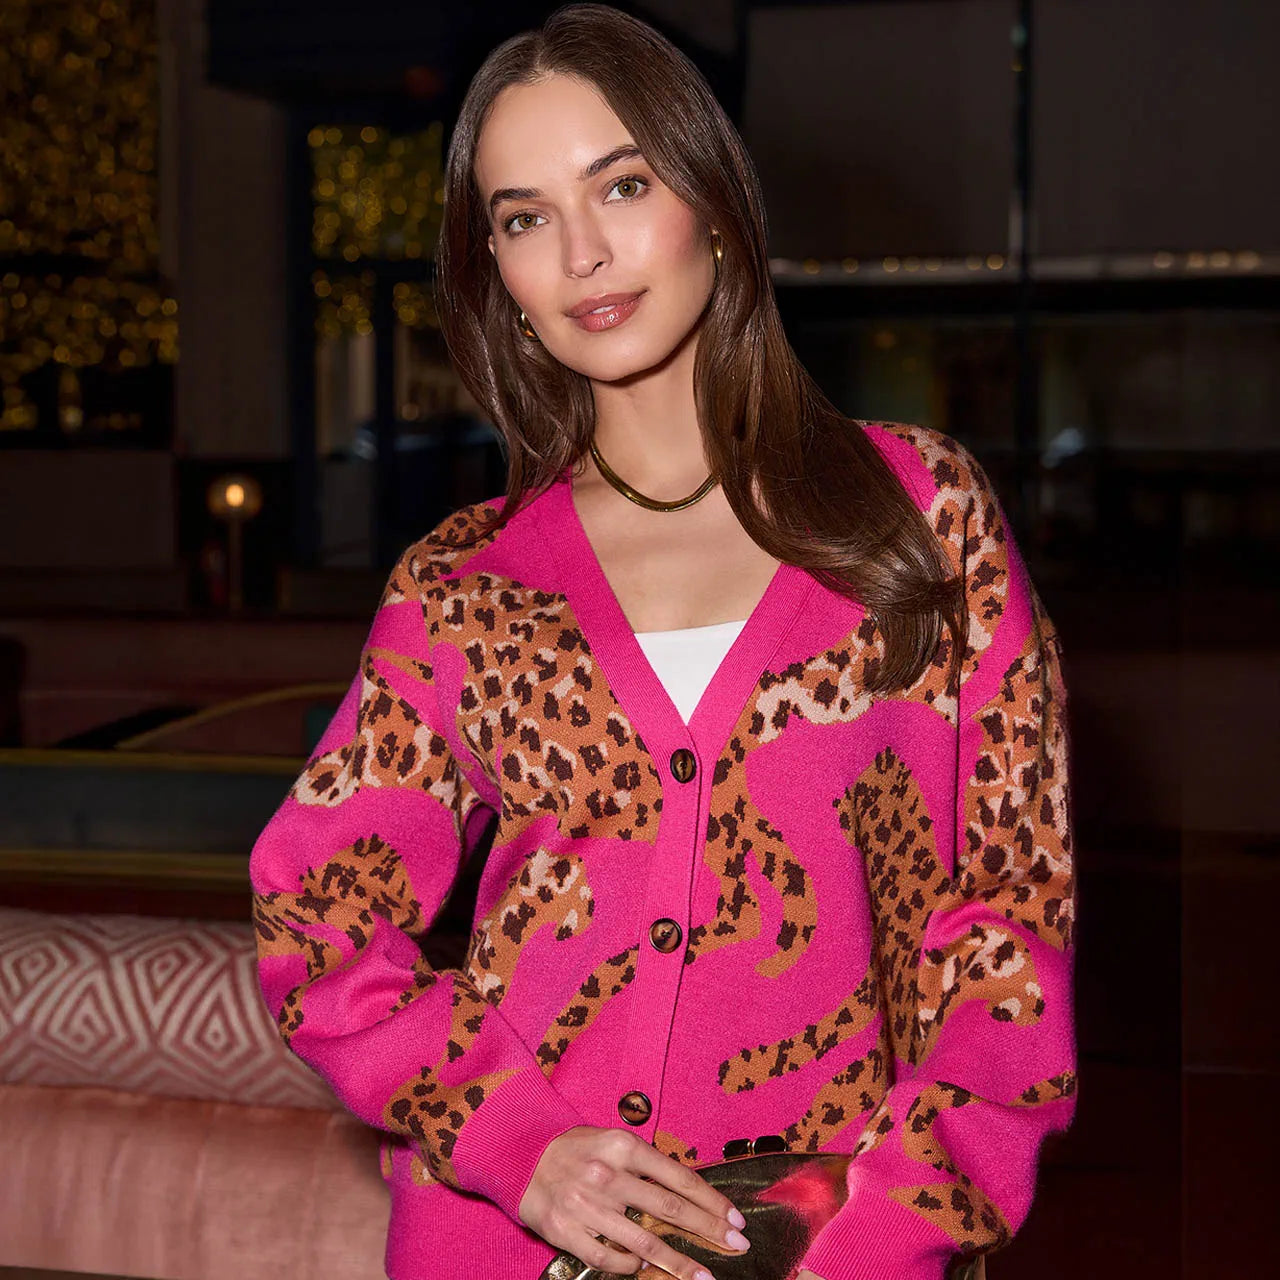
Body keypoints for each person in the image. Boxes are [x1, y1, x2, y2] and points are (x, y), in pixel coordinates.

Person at [248, 6, 1077, 1280]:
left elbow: (1008, 920)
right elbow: (315, 912)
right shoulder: (463, 584)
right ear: (498, 275)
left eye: (621, 184)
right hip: (502, 1246)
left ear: (711, 199)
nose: (582, 252)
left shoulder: (917, 513)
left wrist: (883, 1234)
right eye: (523, 217)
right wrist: (515, 1138)